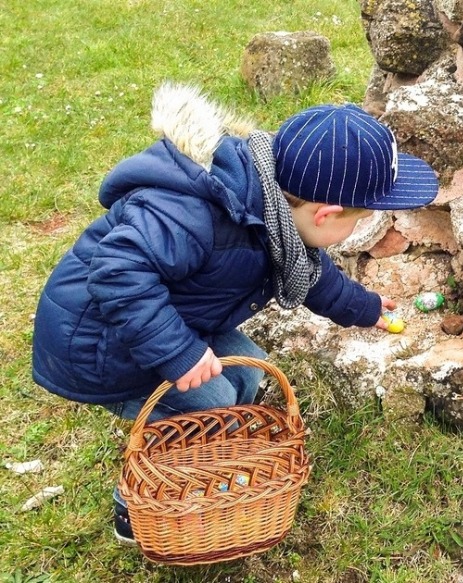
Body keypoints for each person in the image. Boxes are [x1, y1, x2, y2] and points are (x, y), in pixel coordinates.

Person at [30, 82, 439, 544]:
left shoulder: (277, 211)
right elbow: (116, 271)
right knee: (211, 406)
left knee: (246, 372)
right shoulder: (194, 215)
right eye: (360, 219)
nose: (360, 227)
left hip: (165, 316)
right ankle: (138, 505)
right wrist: (179, 353)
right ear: (325, 214)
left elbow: (311, 275)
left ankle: (213, 447)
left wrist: (364, 308)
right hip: (99, 342)